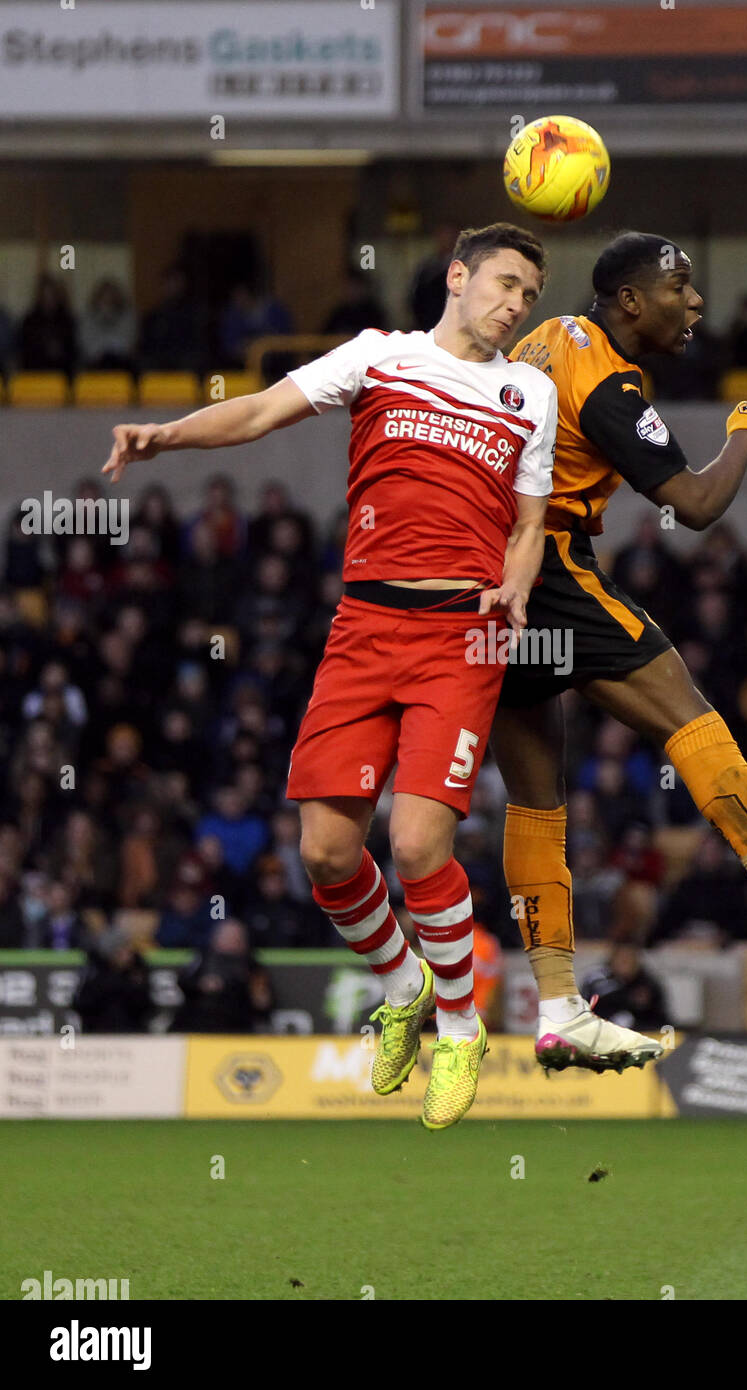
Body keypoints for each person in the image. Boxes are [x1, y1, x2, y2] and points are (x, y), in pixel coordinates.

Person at [103, 222, 557, 1130]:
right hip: (363, 624)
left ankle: (461, 1032)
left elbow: (530, 519)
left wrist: (515, 581)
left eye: (530, 297)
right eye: (506, 285)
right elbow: (261, 409)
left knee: (420, 845)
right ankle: (401, 986)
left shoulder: (529, 391)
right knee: (324, 853)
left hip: (459, 637)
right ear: (458, 277)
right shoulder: (377, 357)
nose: (516, 307)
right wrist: (169, 436)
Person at [492, 231, 747, 1074]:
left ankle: (558, 1006)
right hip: (551, 569)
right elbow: (694, 504)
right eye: (677, 288)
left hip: (486, 578)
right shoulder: (605, 378)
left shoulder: (539, 342)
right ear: (627, 302)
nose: (694, 303)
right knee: (691, 716)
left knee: (535, 797)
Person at [169, 919, 272, 1033]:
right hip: (199, 1015)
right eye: (227, 937)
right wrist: (202, 984)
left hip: (236, 1019)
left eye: (236, 938)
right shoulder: (203, 957)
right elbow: (183, 980)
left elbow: (261, 999)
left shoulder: (251, 964)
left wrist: (259, 998)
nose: (232, 941)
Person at [73, 926, 152, 1033]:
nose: (128, 955)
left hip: (132, 1032)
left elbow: (146, 1006)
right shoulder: (93, 971)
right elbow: (81, 1004)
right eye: (122, 950)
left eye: (129, 949)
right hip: (98, 1032)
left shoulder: (138, 970)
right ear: (110, 954)